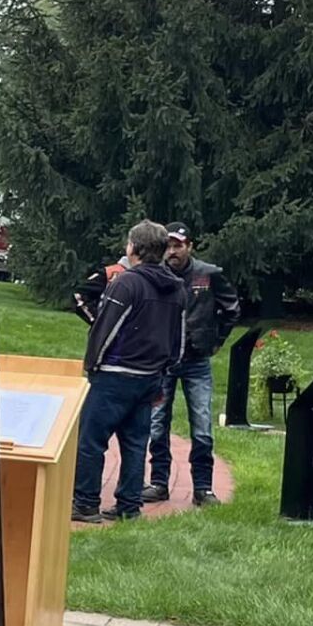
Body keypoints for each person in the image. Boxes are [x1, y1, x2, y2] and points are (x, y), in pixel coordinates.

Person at [72, 219, 186, 524]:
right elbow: (179, 338)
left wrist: (92, 364)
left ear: (133, 247)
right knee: (135, 444)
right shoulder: (177, 288)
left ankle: (85, 503)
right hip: (150, 376)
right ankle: (128, 506)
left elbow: (106, 327)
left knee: (91, 440)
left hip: (114, 374)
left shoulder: (127, 283)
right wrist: (164, 371)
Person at [144, 226, 242, 507]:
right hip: (163, 361)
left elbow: (232, 309)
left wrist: (216, 339)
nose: (173, 252)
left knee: (201, 425)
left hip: (197, 361)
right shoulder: (157, 274)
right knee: (157, 423)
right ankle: (159, 482)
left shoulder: (208, 274)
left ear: (190, 246)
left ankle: (203, 488)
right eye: (169, 246)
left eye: (178, 245)